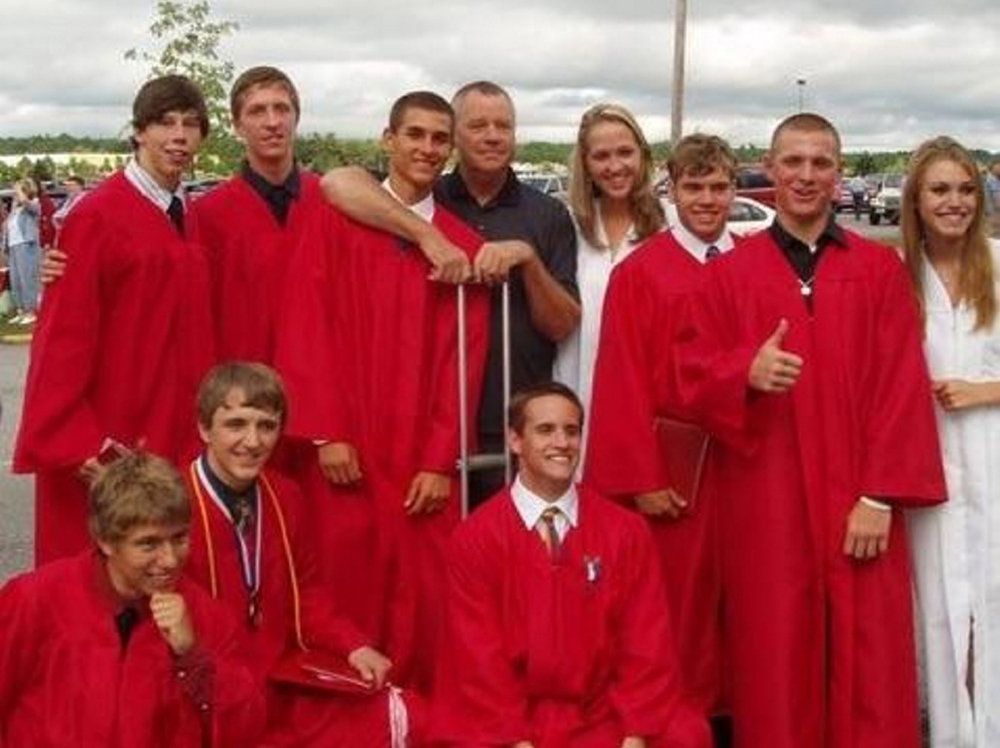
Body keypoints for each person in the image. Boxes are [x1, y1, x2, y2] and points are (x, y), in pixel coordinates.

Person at [674, 113, 946, 748]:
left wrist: (880, 496)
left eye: (820, 163)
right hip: (767, 500)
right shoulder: (728, 275)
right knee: (775, 654)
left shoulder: (878, 271)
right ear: (769, 169)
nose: (805, 175)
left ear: (839, 173)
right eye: (792, 162)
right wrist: (744, 371)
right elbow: (689, 375)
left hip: (860, 499)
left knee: (870, 659)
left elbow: (902, 385)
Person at [276, 90, 491, 694]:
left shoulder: (459, 248)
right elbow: (305, 323)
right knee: (344, 584)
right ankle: (350, 719)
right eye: (414, 134)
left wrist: (440, 461)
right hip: (348, 446)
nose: (427, 148)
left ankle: (419, 720)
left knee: (426, 601)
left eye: (439, 138)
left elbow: (463, 364)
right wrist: (325, 431)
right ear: (388, 140)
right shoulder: (334, 221)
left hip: (420, 457)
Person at [320, 80, 580, 510]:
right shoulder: (426, 192)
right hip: (413, 417)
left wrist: (527, 258)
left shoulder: (547, 213)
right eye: (478, 125)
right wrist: (427, 235)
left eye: (503, 126)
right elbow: (337, 183)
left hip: (509, 411)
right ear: (456, 137)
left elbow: (561, 324)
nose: (493, 136)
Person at [430, 382, 711, 748]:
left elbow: (646, 640)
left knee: (686, 733)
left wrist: (635, 732)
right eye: (545, 430)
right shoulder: (475, 539)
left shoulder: (625, 531)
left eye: (572, 430)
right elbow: (478, 657)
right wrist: (515, 741)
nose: (562, 442)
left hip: (602, 713)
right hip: (511, 718)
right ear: (515, 441)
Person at [12, 74, 216, 565]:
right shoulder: (97, 215)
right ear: (139, 131)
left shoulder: (184, 212)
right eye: (165, 122)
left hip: (172, 430)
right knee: (101, 579)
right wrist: (82, 445)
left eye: (190, 124)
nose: (179, 136)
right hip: (113, 441)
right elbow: (61, 341)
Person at [585, 133, 740, 738]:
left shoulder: (756, 262)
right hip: (678, 471)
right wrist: (643, 478)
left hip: (747, 465)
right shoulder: (641, 271)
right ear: (671, 190)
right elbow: (620, 378)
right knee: (679, 610)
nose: (707, 200)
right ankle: (679, 727)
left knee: (746, 605)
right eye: (694, 187)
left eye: (719, 187)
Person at [185, 362, 418, 747]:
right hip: (203, 685)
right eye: (236, 424)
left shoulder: (285, 496)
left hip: (274, 679)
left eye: (267, 426)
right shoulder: (174, 501)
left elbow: (305, 594)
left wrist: (353, 645)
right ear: (204, 429)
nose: (252, 441)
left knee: (391, 712)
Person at [0, 451, 265, 746]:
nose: (169, 560)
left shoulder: (205, 617)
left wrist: (192, 656)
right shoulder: (34, 601)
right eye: (148, 544)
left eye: (179, 538)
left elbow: (244, 729)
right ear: (105, 540)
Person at [901, 136, 1000, 748]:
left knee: (994, 600)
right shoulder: (897, 278)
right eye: (939, 189)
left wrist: (985, 391)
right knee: (938, 607)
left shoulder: (999, 264)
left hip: (994, 450)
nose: (954, 201)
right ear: (915, 199)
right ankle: (951, 735)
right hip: (928, 461)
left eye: (965, 189)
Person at [194, 66, 328, 364]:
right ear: (237, 126)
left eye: (282, 109)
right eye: (257, 111)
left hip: (320, 377)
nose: (272, 122)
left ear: (296, 118)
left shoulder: (330, 203)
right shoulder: (207, 215)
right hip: (244, 383)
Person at [552, 103, 665, 444]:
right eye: (601, 156)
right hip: (576, 403)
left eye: (625, 152)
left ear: (643, 155)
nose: (615, 167)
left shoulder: (672, 227)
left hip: (650, 406)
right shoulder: (564, 228)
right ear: (585, 164)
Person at [3, 178, 41, 325]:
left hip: (26, 245)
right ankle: (21, 311)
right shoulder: (15, 208)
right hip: (13, 246)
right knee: (16, 280)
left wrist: (21, 194)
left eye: (17, 190)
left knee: (27, 280)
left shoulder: (33, 203)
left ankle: (30, 311)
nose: (14, 193)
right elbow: (7, 227)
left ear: (25, 190)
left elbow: (30, 206)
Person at [51, 175, 86, 241]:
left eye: (71, 185)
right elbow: (56, 216)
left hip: (78, 234)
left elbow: (69, 215)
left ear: (80, 186)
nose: (68, 188)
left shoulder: (84, 199)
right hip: (66, 233)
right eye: (67, 185)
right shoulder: (68, 200)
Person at [984, 158, 1000, 238]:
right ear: (993, 166)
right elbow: (997, 200)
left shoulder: (996, 179)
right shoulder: (991, 180)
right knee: (992, 235)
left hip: (993, 214)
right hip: (992, 215)